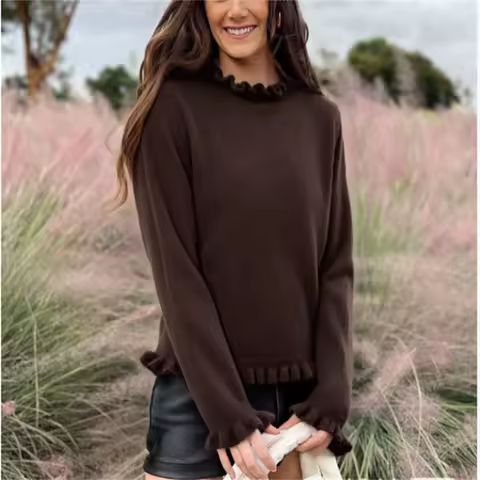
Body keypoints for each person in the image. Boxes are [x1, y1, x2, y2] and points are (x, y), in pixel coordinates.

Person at [113, 0, 354, 479]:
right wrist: (228, 415)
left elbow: (336, 266)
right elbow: (177, 275)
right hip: (199, 405)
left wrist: (332, 396)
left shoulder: (320, 118)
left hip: (298, 410)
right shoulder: (171, 110)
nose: (236, 9)